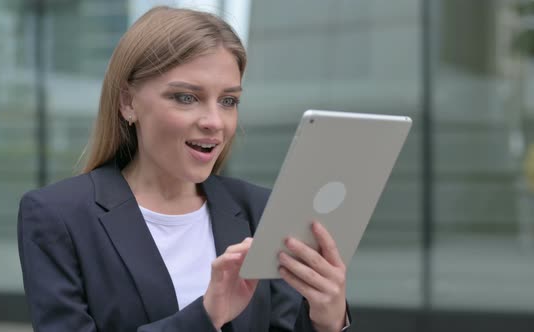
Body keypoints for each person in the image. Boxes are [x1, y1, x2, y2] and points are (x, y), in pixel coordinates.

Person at [18, 6, 351, 332]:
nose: (214, 122)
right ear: (128, 102)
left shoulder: (261, 210)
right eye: (186, 98)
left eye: (229, 101)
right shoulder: (58, 216)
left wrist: (329, 321)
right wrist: (206, 316)